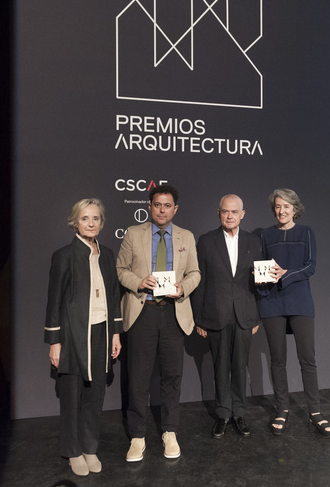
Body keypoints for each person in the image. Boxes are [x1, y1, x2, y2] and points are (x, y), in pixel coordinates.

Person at [116, 184, 200, 462]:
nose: (161, 210)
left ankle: (169, 431)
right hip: (144, 311)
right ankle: (137, 436)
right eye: (157, 204)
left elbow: (195, 273)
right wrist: (138, 282)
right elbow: (120, 269)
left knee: (172, 376)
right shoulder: (133, 233)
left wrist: (183, 288)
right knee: (138, 377)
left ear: (175, 209)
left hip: (173, 312)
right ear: (149, 206)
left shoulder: (186, 236)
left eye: (167, 205)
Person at [44, 198, 123, 476]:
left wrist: (116, 333)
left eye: (96, 218)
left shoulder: (108, 254)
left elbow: (114, 296)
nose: (91, 223)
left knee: (94, 396)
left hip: (101, 333)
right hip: (72, 336)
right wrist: (55, 341)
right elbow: (54, 302)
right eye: (85, 218)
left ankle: (90, 448)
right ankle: (73, 451)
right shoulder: (63, 255)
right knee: (72, 397)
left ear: (101, 222)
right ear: (75, 222)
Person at [258, 188, 330, 438]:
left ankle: (315, 412)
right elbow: (261, 267)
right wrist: (260, 280)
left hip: (300, 301)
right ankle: (282, 408)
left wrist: (285, 275)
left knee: (307, 360)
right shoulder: (266, 234)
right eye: (278, 206)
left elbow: (310, 266)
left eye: (287, 207)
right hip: (272, 303)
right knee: (277, 360)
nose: (282, 211)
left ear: (295, 209)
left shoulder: (306, 232)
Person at [191, 194, 261, 439]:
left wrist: (255, 318)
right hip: (215, 314)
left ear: (243, 214)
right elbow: (200, 282)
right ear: (218, 213)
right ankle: (223, 415)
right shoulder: (206, 241)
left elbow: (258, 284)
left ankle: (239, 413)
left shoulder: (255, 241)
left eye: (234, 212)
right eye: (225, 211)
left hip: (244, 316)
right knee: (220, 368)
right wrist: (198, 318)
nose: (229, 216)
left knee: (240, 367)